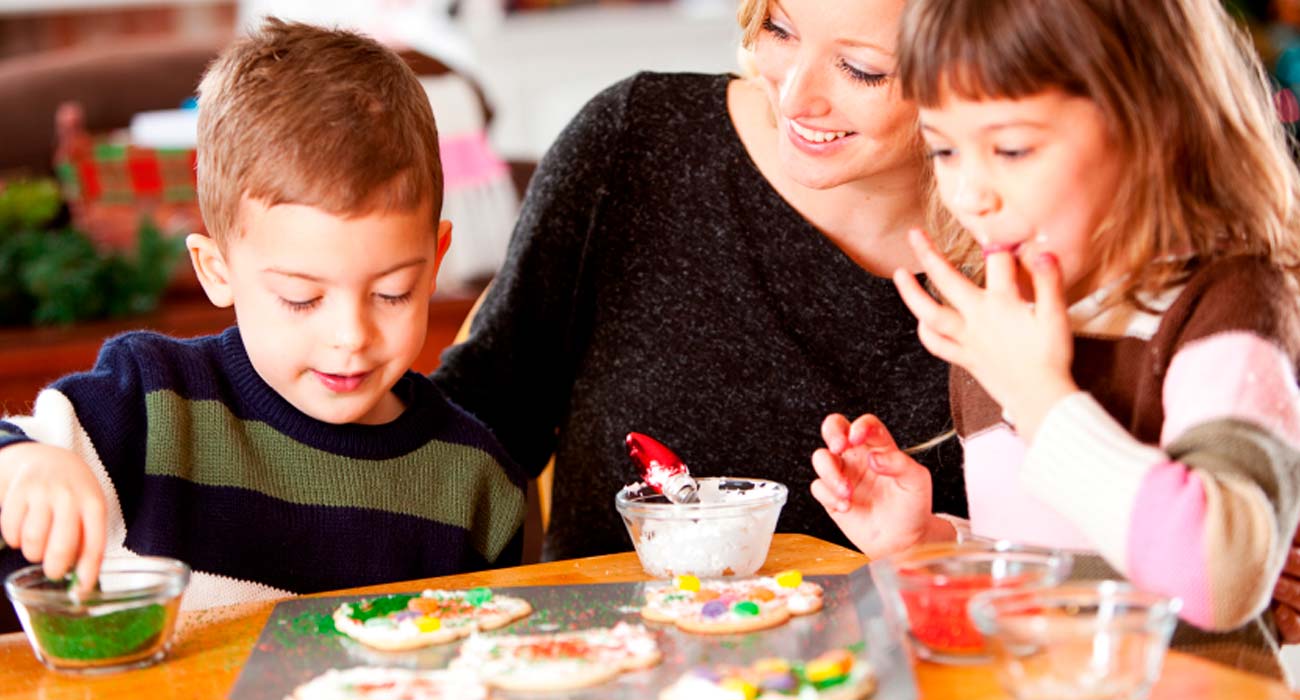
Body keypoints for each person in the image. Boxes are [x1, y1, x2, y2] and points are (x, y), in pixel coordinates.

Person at [811, 0, 1300, 674]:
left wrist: (1038, 393)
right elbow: (1054, 561)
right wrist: (924, 538)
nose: (969, 192)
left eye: (1012, 148)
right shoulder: (1003, 321)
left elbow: (1219, 582)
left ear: (1153, 129)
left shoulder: (1226, 304)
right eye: (945, 148)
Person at [0, 19, 527, 611]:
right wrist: (24, 464)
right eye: (302, 298)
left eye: (393, 292)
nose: (351, 336)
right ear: (216, 270)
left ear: (435, 264)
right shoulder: (150, 403)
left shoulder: (476, 483)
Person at [432, 0, 967, 562]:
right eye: (779, 29)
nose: (793, 97)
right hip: (606, 646)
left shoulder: (1029, 241)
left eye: (862, 68)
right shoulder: (637, 142)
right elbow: (477, 424)